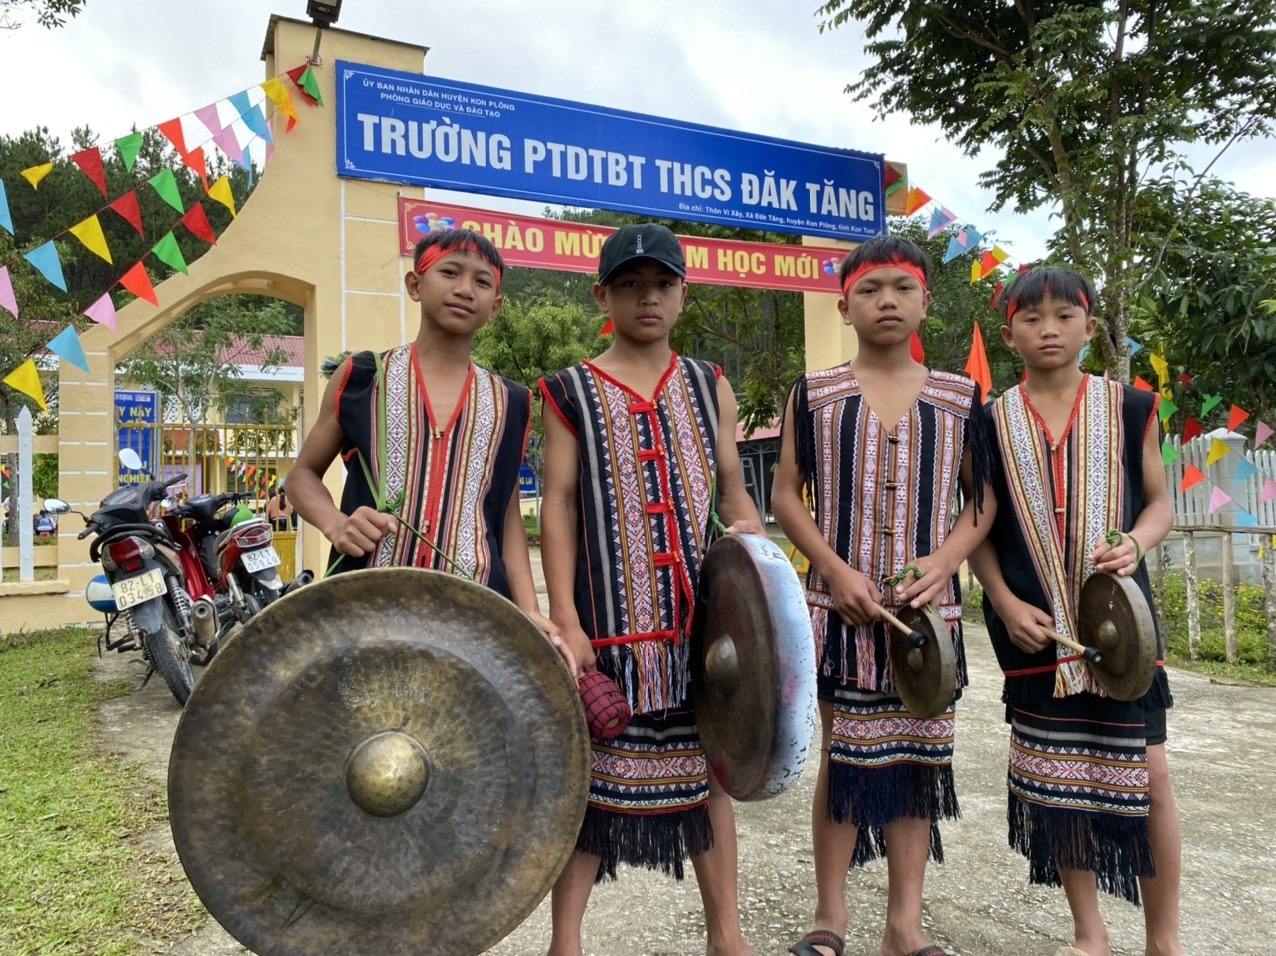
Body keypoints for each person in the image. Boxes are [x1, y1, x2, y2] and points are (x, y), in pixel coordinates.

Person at [539, 223, 764, 956]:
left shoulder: (710, 385)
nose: (647, 298)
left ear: (683, 294)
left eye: (661, 284)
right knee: (591, 793)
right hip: (610, 632)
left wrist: (761, 574)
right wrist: (567, 621)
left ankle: (726, 937)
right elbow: (561, 505)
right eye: (630, 285)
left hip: (704, 637)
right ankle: (565, 943)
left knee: (711, 783)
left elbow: (735, 497)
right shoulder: (569, 389)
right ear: (603, 293)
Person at [770, 234, 992, 956]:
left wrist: (946, 559)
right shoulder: (814, 393)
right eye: (870, 289)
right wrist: (831, 569)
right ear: (845, 304)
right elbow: (785, 498)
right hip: (838, 612)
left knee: (919, 763)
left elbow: (980, 503)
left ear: (926, 300)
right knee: (846, 757)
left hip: (931, 618)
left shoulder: (961, 397)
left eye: (901, 287)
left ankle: (904, 925)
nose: (887, 301)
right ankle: (830, 918)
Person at [967, 266, 1181, 956]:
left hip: (1122, 630)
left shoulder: (1130, 406)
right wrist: (1000, 601)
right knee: (1060, 781)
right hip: (1034, 634)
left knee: (1148, 778)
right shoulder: (991, 421)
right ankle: (1091, 936)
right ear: (1009, 335)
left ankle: (1164, 940)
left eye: (1064, 315)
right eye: (1032, 319)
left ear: (1091, 326)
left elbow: (1159, 503)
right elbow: (977, 530)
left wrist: (1134, 540)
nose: (1048, 329)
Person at [288, 227, 570, 668]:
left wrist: (528, 610)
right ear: (415, 285)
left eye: (482, 281)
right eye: (450, 272)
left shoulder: (512, 400)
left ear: (495, 307)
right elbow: (301, 475)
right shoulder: (362, 378)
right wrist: (336, 525)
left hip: (475, 611)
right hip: (368, 602)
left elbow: (506, 513)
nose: (464, 289)